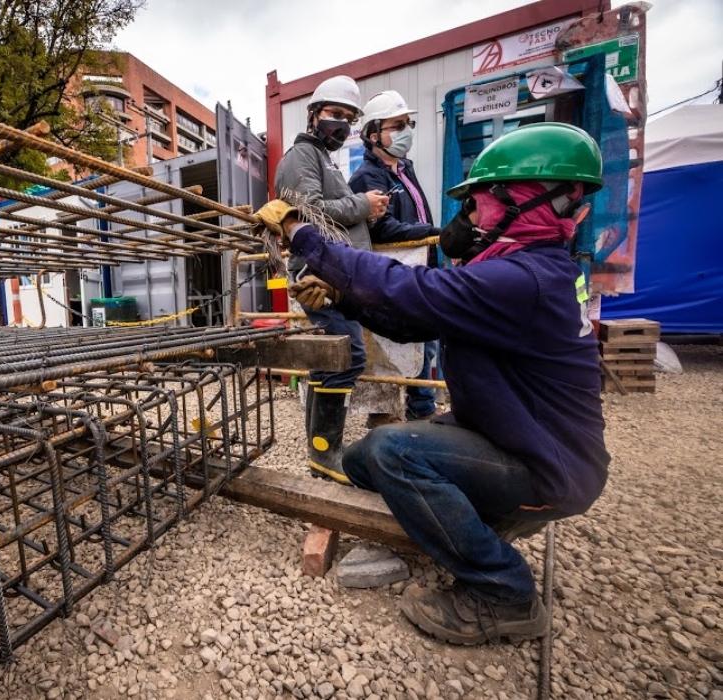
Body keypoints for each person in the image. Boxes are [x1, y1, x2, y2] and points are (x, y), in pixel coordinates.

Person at [255, 123, 610, 645]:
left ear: (527, 201)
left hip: (545, 464)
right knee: (360, 460)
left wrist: (301, 232)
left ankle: (504, 592)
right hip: (515, 437)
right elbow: (410, 321)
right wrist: (341, 300)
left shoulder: (522, 279)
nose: (469, 219)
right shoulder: (523, 268)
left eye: (479, 204)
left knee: (395, 451)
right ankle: (466, 521)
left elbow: (405, 288)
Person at [273, 75, 389, 484]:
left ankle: (321, 453)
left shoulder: (322, 159)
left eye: (348, 118)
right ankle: (325, 453)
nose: (341, 124)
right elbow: (310, 211)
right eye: (334, 114)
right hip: (318, 276)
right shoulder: (300, 158)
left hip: (336, 275)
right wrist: (363, 203)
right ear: (314, 114)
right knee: (347, 356)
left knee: (330, 362)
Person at [349, 90, 440, 421]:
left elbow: (415, 217)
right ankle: (382, 415)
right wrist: (434, 234)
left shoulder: (404, 169)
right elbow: (382, 229)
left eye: (408, 124)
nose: (406, 131)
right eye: (397, 125)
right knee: (387, 346)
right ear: (374, 135)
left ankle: (422, 411)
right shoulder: (366, 178)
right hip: (392, 271)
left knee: (425, 342)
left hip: (419, 267)